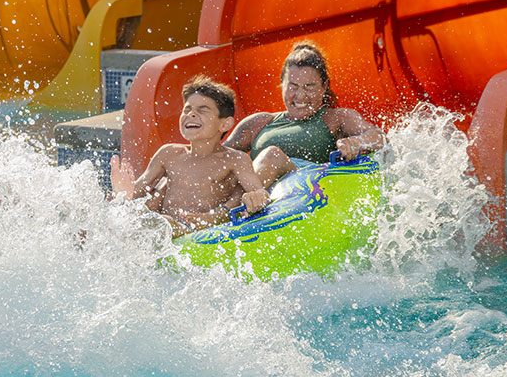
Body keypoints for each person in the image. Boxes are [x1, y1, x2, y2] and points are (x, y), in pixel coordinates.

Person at [110, 76, 270, 238]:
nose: (191, 114)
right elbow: (140, 188)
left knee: (160, 223)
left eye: (202, 110)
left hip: (198, 231)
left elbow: (258, 192)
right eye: (187, 109)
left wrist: (254, 197)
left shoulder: (234, 159)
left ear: (225, 124)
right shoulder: (169, 153)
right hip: (166, 223)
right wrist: (122, 192)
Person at [224, 42, 385, 188]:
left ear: (324, 87)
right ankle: (227, 208)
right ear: (282, 84)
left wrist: (356, 142)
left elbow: (380, 137)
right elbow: (216, 156)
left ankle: (236, 207)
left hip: (305, 190)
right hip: (258, 191)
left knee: (272, 156)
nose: (300, 96)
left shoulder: (335, 118)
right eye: (293, 87)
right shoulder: (258, 122)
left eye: (309, 87)